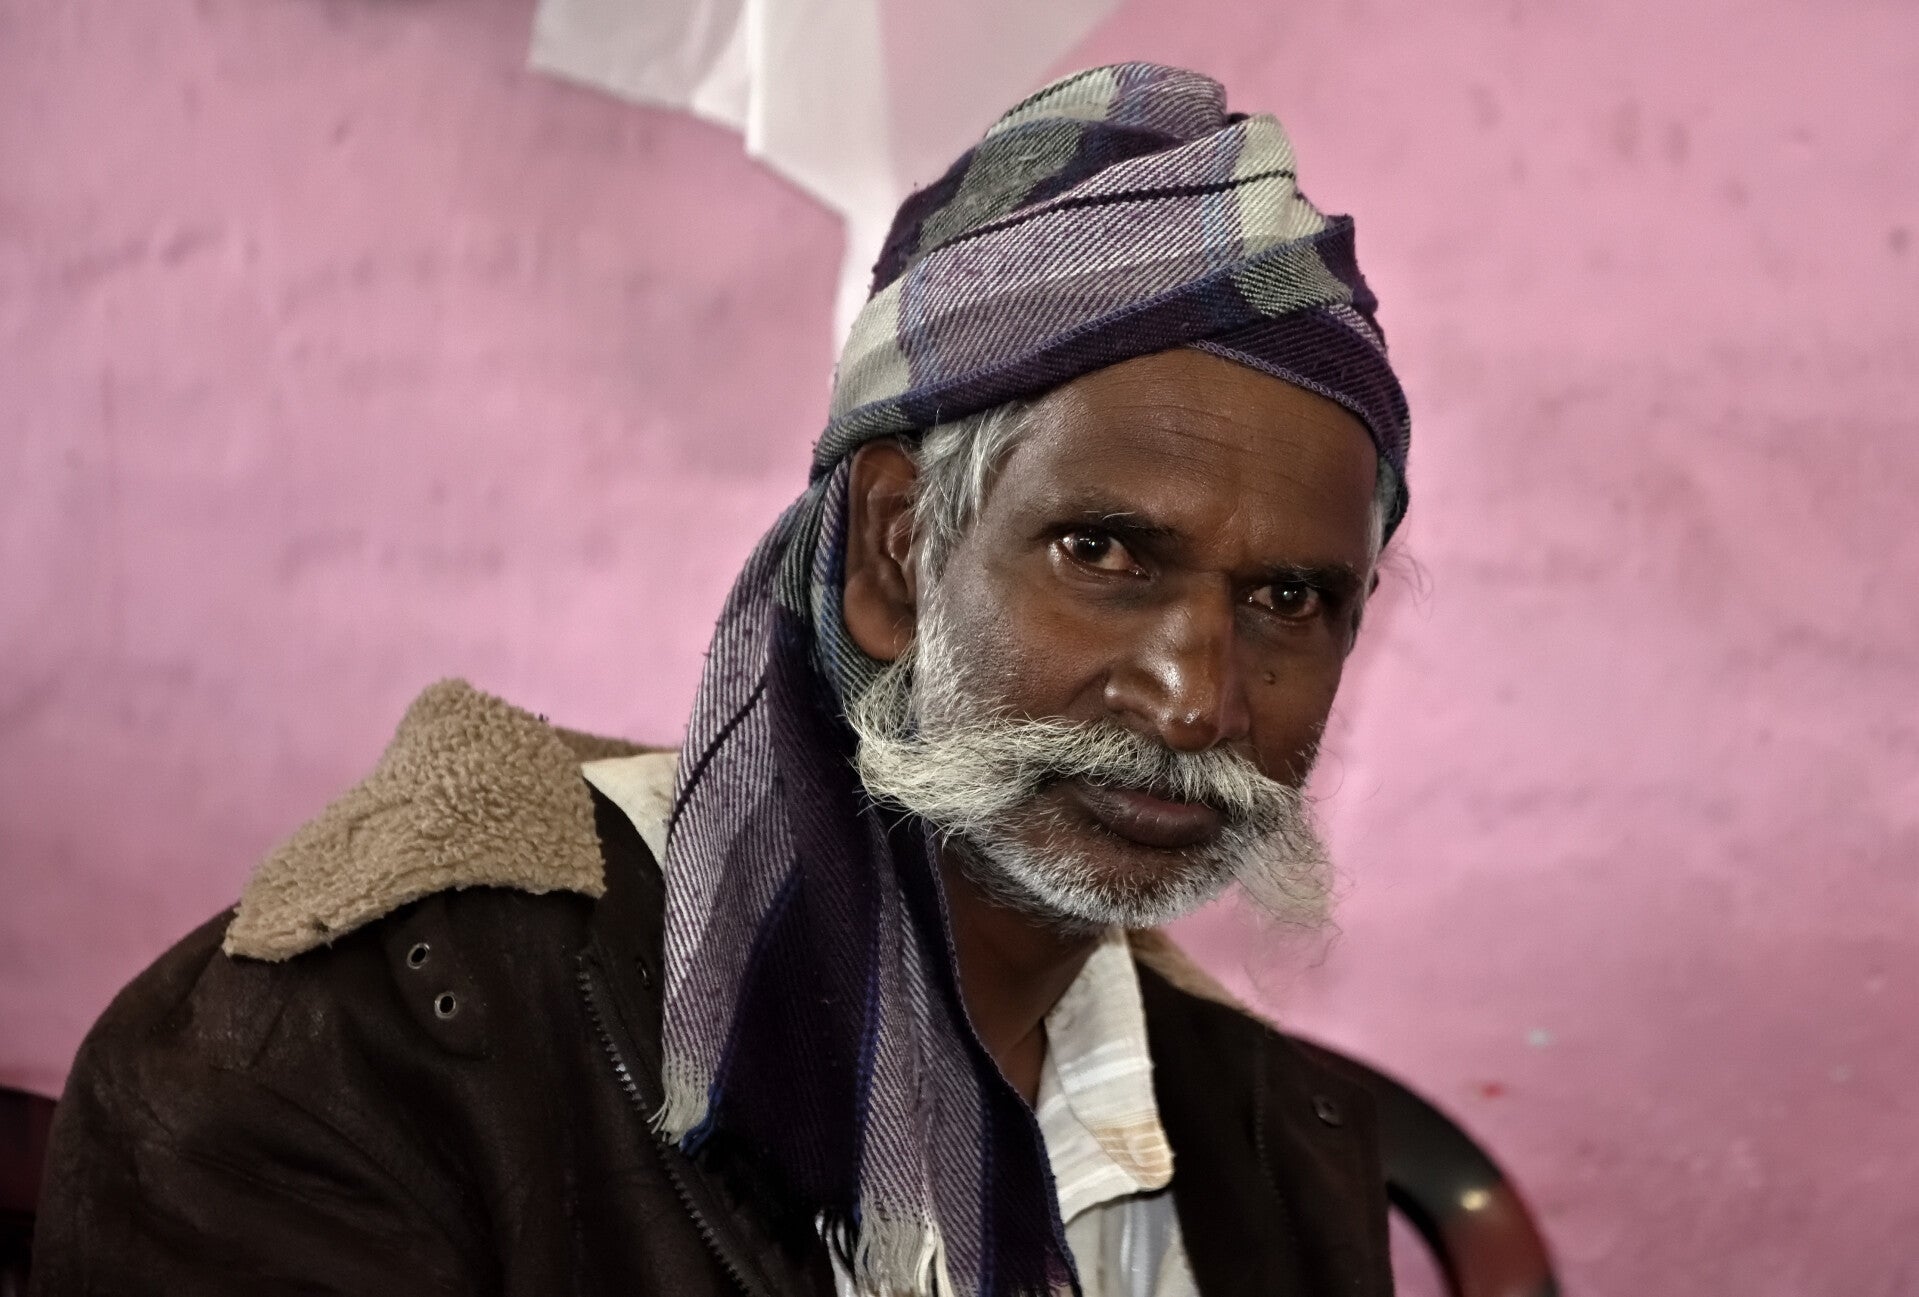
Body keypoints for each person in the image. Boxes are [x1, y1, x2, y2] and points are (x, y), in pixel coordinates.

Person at [32, 63, 1411, 1297]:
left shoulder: (1274, 1143)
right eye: (1102, 552)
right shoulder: (357, 1052)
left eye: (1289, 599)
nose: (1194, 699)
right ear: (895, 554)